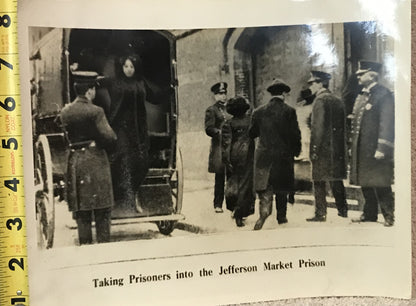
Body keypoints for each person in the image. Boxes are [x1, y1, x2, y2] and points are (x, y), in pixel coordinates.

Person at [60, 71, 117, 245]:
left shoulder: (65, 111)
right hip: (95, 162)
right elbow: (110, 137)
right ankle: (103, 255)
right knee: (102, 212)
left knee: (82, 213)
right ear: (90, 91)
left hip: (76, 163)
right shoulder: (96, 111)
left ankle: (86, 252)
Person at [106, 55, 157, 210]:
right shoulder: (115, 82)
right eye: (126, 66)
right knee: (124, 158)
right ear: (122, 67)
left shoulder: (141, 83)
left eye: (132, 67)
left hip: (138, 128)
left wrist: (171, 87)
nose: (129, 69)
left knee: (142, 161)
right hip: (121, 128)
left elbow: (155, 96)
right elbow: (97, 82)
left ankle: (133, 193)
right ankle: (121, 196)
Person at [249, 79, 301, 230]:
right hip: (283, 156)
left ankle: (264, 211)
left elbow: (252, 133)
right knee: (282, 187)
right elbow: (295, 135)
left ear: (271, 94)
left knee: (265, 185)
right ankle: (282, 217)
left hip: (264, 155)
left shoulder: (258, 111)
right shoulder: (289, 111)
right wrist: (296, 151)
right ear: (284, 93)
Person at [350, 61, 395, 227]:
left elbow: (387, 123)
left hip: (376, 148)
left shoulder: (383, 94)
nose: (358, 76)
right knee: (366, 181)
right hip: (363, 147)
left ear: (372, 75)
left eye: (362, 74)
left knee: (381, 182)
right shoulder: (363, 94)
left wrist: (382, 147)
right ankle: (369, 214)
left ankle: (389, 215)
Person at [305, 71, 348, 222]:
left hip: (322, 149)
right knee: (336, 179)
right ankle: (343, 210)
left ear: (320, 84)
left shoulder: (319, 101)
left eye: (312, 83)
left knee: (318, 181)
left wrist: (314, 149)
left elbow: (318, 128)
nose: (310, 86)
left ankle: (320, 213)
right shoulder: (338, 100)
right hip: (336, 149)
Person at [221, 96, 255, 227]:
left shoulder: (228, 124)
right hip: (248, 155)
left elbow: (226, 143)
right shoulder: (250, 121)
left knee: (233, 183)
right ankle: (241, 211)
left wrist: (226, 159)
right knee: (246, 185)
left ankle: (236, 209)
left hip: (233, 156)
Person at [205, 82, 232, 213]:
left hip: (231, 145)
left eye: (224, 93)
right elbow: (208, 129)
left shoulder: (230, 108)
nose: (223, 96)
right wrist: (219, 132)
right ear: (215, 96)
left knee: (232, 175)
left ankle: (232, 204)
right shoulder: (212, 110)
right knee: (220, 176)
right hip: (219, 147)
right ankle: (218, 204)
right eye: (220, 94)